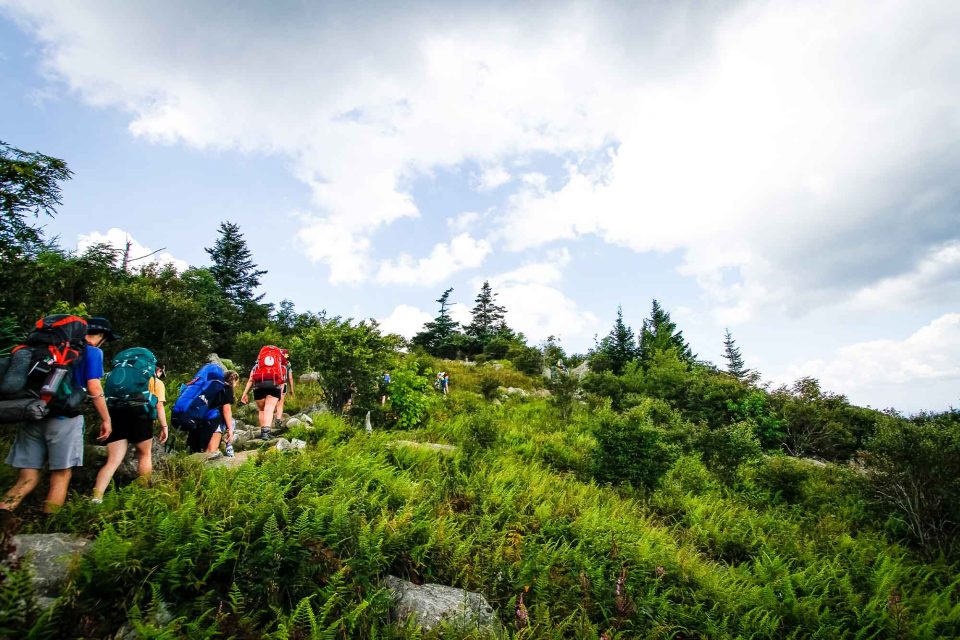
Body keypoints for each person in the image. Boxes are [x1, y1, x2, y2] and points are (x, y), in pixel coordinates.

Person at [0, 316, 114, 530]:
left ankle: (4, 516)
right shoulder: (92, 352)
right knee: (60, 475)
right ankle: (48, 531)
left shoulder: (43, 348)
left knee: (27, 477)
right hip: (64, 419)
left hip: (32, 412)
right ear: (100, 337)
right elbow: (94, 388)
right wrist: (106, 419)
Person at [91, 362, 169, 502]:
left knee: (113, 460)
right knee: (144, 455)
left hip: (117, 415)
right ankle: (144, 495)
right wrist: (164, 427)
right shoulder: (155, 382)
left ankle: (96, 498)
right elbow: (159, 406)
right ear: (158, 369)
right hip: (141, 417)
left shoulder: (122, 377)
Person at [240, 346, 288, 440]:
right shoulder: (281, 366)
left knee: (261, 410)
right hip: (273, 385)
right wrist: (281, 393)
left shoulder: (257, 365)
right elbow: (283, 380)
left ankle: (263, 432)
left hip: (258, 386)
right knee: (269, 409)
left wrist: (244, 394)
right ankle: (267, 432)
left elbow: (250, 379)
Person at [187, 369, 238, 454]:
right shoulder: (227, 388)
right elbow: (226, 409)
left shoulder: (208, 386)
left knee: (196, 451)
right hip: (214, 422)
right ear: (234, 380)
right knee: (211, 452)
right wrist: (230, 429)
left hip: (197, 419)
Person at [272, 349, 295, 429]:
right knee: (280, 403)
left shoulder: (274, 362)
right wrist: (292, 389)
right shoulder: (288, 364)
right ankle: (278, 421)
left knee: (272, 402)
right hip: (283, 384)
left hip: (273, 384)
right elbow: (290, 378)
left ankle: (270, 419)